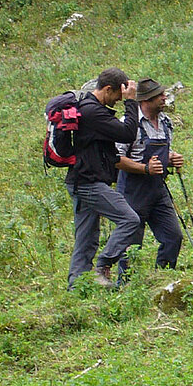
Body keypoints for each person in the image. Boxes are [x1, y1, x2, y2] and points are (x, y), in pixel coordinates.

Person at [66, 67, 143, 289]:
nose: (119, 101)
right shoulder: (92, 112)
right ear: (108, 89)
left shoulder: (89, 110)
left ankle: (76, 289)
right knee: (129, 219)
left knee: (86, 239)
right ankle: (103, 265)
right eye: (118, 96)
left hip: (81, 181)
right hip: (88, 182)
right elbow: (128, 133)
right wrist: (131, 102)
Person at [115, 78, 184, 279]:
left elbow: (162, 153)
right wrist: (145, 168)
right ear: (146, 100)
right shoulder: (128, 124)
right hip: (132, 191)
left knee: (173, 237)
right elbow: (116, 159)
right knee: (131, 244)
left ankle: (163, 280)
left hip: (158, 189)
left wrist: (171, 158)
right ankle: (127, 287)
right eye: (159, 95)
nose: (165, 98)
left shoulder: (166, 122)